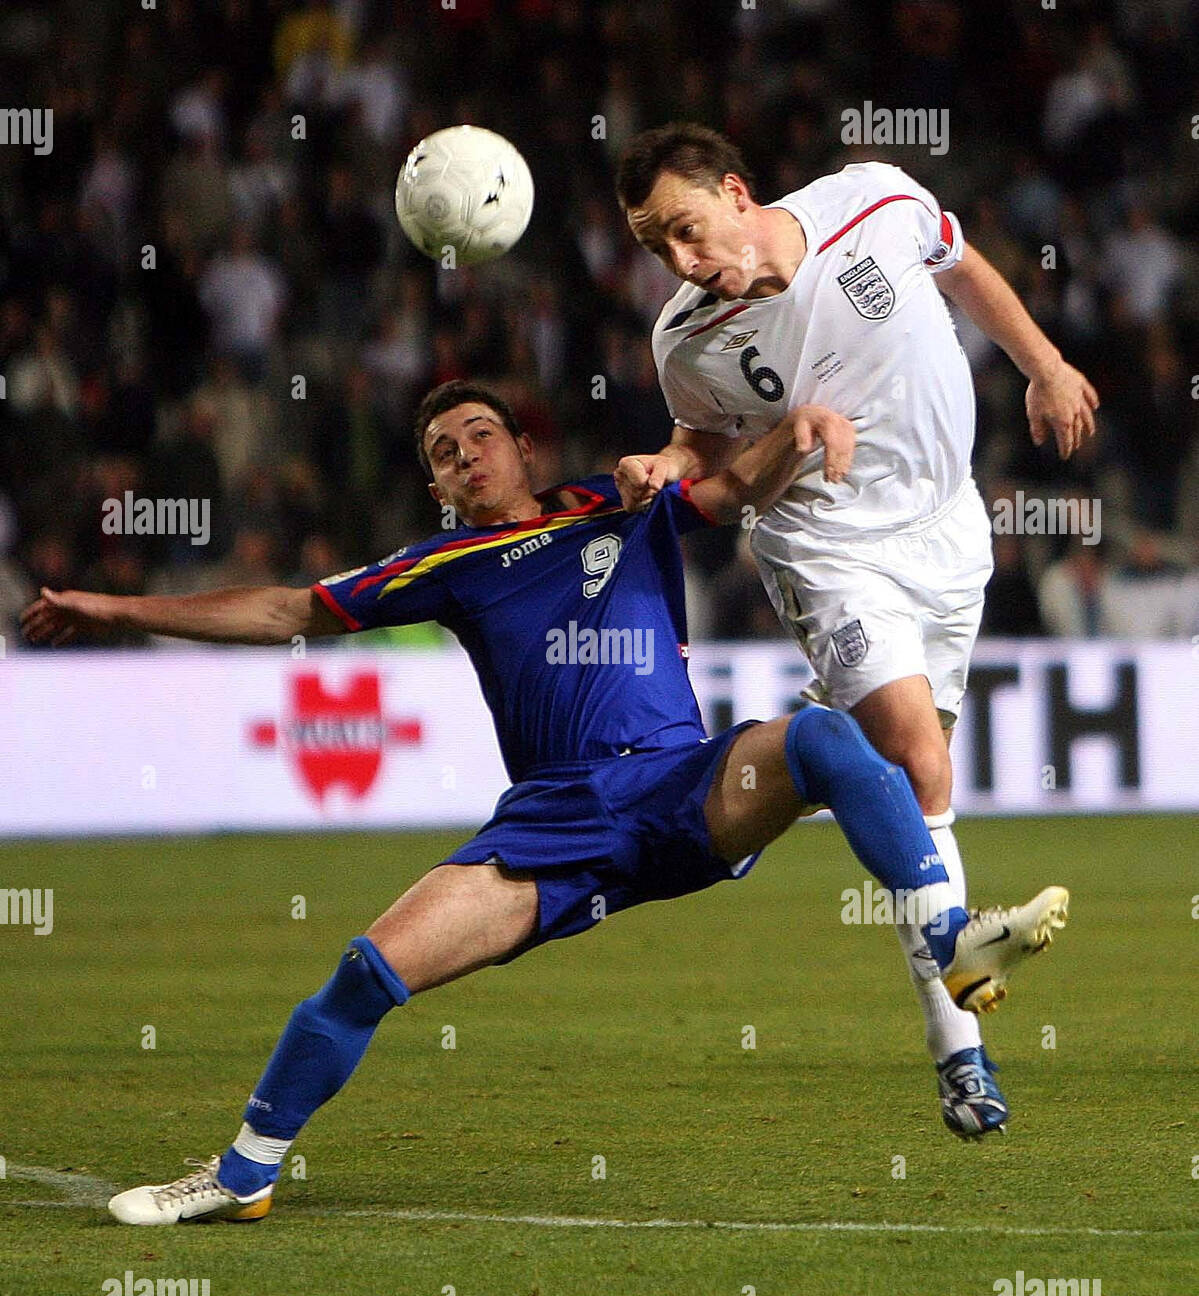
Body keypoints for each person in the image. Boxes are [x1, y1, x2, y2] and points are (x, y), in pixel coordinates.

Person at [21, 382, 1067, 1225]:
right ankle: (244, 1171)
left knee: (827, 739)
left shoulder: (618, 499)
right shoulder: (442, 563)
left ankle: (952, 945)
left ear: (524, 448)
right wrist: (110, 604)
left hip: (678, 785)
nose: (464, 453)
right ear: (438, 485)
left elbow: (732, 487)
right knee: (364, 974)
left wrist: (796, 431)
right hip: (552, 825)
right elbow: (289, 605)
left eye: (479, 433)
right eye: (441, 450)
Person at [615, 124, 1091, 1080]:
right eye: (656, 246)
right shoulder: (684, 339)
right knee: (917, 751)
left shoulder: (872, 201)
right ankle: (962, 990)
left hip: (949, 530)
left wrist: (1042, 364)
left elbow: (962, 269)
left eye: (686, 229)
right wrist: (661, 463)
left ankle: (952, 1046)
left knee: (922, 785)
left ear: (737, 192)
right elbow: (700, 443)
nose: (680, 260)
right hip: (826, 546)